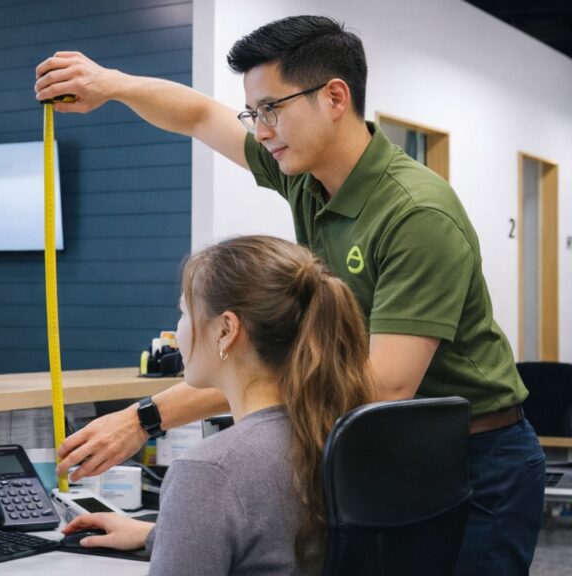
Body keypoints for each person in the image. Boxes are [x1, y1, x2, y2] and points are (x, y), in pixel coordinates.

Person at [34, 15, 544, 575]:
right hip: (382, 446)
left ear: (334, 97)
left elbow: (382, 385)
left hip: (476, 459)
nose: (260, 129)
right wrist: (112, 84)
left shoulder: (415, 213)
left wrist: (149, 417)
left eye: (272, 109)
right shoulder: (305, 175)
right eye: (254, 113)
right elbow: (200, 115)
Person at [64, 235, 375, 575]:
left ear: (226, 330)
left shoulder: (210, 470)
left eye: (184, 312)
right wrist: (160, 534)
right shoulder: (338, 437)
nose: (178, 331)